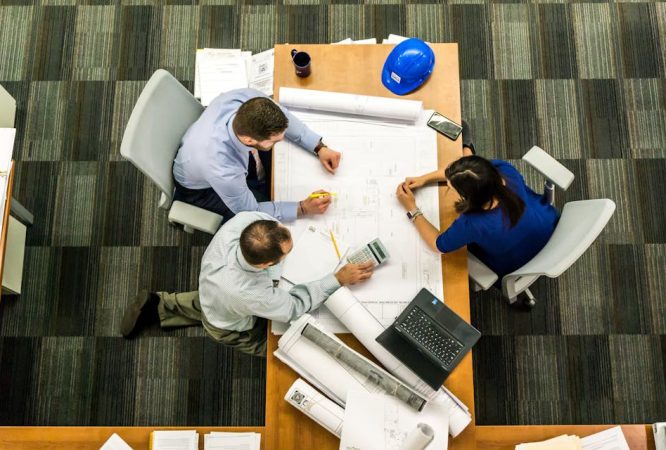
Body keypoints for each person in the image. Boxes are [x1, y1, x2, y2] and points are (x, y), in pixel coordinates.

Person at [120, 211, 374, 355]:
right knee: (278, 347)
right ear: (265, 265)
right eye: (287, 253)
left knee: (209, 302)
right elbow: (293, 307)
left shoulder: (245, 222)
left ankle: (159, 304)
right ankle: (165, 309)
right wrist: (337, 279)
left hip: (213, 289)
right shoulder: (251, 294)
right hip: (229, 323)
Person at [395, 122, 558, 307]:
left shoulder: (473, 223)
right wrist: (424, 178)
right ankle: (467, 148)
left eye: (451, 187)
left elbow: (437, 244)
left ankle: (467, 148)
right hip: (548, 225)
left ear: (468, 197)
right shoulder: (504, 171)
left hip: (516, 263)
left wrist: (412, 209)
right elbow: (471, 172)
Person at [173, 88, 342, 222]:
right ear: (249, 140)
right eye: (274, 141)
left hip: (203, 149)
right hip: (201, 190)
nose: (280, 142)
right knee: (262, 212)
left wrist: (318, 147)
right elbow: (250, 211)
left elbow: (284, 116)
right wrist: (303, 208)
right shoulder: (223, 169)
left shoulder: (247, 99)